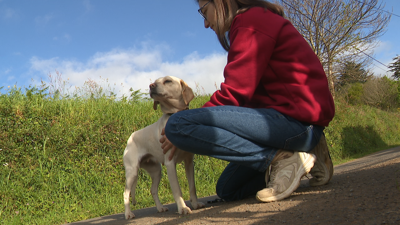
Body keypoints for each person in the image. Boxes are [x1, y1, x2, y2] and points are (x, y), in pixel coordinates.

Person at [160, 0, 335, 203]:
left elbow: (235, 92)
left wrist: (186, 126)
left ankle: (284, 158)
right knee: (228, 189)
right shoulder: (253, 21)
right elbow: (248, 98)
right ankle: (308, 153)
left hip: (299, 122)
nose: (206, 23)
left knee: (177, 124)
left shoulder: (250, 22)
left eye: (204, 12)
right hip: (293, 123)